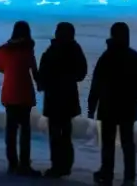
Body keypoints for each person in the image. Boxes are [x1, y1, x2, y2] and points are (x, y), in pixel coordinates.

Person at [87, 22, 137, 186]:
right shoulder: (133, 56)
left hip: (108, 106)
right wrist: (134, 96)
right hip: (127, 107)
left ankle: (107, 173)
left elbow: (96, 83)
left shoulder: (107, 56)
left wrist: (92, 105)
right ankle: (129, 176)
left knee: (109, 143)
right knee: (127, 143)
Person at [37, 21, 88, 179]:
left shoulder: (52, 50)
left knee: (57, 133)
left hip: (55, 98)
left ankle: (58, 165)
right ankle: (64, 165)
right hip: (67, 98)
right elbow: (81, 73)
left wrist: (44, 83)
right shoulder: (74, 49)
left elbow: (43, 72)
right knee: (64, 133)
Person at [0, 20, 40, 175]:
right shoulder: (27, 50)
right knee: (25, 131)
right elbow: (34, 71)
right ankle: (24, 164)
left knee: (11, 130)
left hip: (9, 93)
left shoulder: (3, 50)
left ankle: (12, 163)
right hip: (24, 93)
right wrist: (41, 84)